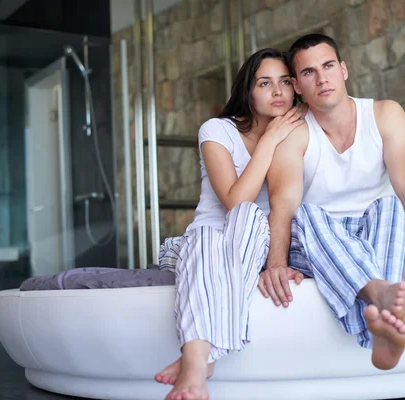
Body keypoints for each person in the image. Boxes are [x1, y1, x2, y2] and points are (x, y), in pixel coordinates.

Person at [257, 33, 405, 370]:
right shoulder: (293, 131)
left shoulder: (385, 115)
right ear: (296, 85)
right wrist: (276, 264)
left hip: (373, 235)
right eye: (309, 73)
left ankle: (384, 312)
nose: (322, 78)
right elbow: (283, 205)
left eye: (328, 66)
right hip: (319, 240)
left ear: (343, 69)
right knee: (305, 213)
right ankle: (390, 300)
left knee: (392, 205)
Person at [156, 48, 307, 400]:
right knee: (226, 227)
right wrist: (268, 140)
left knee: (255, 220)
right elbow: (235, 201)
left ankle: (199, 359)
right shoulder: (217, 130)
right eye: (265, 83)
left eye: (285, 82)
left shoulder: (299, 133)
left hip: (257, 246)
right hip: (200, 245)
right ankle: (200, 361)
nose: (278, 92)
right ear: (247, 91)